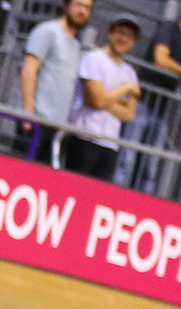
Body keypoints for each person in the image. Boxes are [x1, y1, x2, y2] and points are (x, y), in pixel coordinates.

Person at [121, 0, 181, 190]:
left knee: (150, 166)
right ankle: (113, 198)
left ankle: (143, 205)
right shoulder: (168, 29)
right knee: (126, 159)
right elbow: (161, 59)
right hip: (141, 102)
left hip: (162, 108)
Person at [68, 18, 142, 181]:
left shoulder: (130, 73)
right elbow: (95, 100)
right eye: (120, 33)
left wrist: (104, 98)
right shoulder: (94, 58)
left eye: (129, 36)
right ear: (110, 33)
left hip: (110, 144)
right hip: (84, 136)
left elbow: (129, 114)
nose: (123, 39)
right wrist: (124, 89)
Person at [20, 0, 91, 164]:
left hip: (58, 127)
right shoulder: (48, 31)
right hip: (38, 119)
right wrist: (28, 111)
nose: (82, 11)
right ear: (66, 6)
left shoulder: (76, 44)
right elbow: (29, 69)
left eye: (87, 8)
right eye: (78, 5)